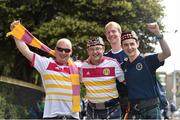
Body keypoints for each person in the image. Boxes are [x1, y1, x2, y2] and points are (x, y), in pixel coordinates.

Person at [10, 21, 81, 119]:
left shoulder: (78, 66)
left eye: (67, 50)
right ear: (55, 49)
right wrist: (16, 32)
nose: (63, 52)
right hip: (51, 117)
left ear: (71, 52)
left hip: (73, 117)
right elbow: (26, 51)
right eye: (60, 49)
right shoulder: (46, 63)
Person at [121, 22, 171, 119]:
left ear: (137, 44)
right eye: (126, 45)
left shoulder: (147, 60)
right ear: (122, 47)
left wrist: (158, 34)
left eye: (132, 44)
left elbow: (167, 53)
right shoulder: (124, 66)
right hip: (133, 111)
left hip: (151, 110)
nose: (129, 47)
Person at [80, 36, 125, 119]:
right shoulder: (83, 67)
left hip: (113, 108)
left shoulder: (113, 63)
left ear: (103, 49)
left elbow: (125, 82)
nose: (95, 52)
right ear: (88, 51)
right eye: (91, 49)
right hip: (91, 109)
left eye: (98, 48)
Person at [104, 21, 128, 118]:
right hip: (111, 104)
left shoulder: (130, 52)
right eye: (108, 32)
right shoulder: (104, 57)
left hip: (129, 102)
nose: (111, 34)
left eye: (113, 31)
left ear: (120, 33)